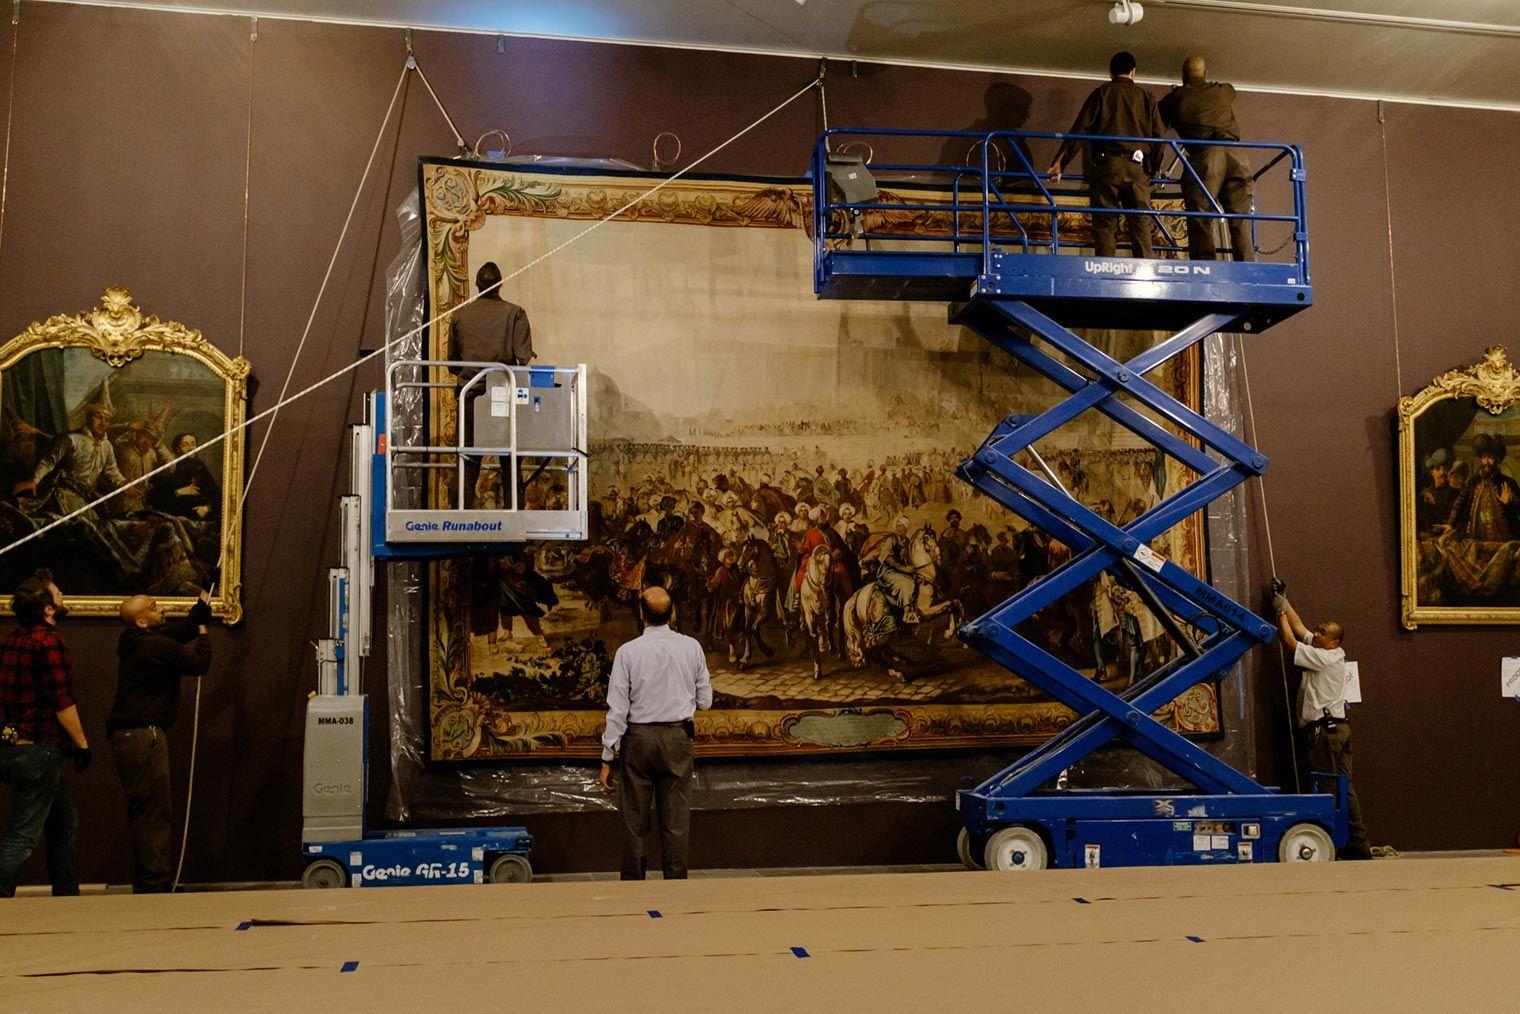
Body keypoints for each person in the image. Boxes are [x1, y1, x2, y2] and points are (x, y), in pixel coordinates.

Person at [598, 586, 712, 880]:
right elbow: (705, 701)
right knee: (676, 820)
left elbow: (617, 710)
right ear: (672, 613)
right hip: (677, 739)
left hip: (638, 740)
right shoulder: (692, 648)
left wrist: (607, 757)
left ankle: (633, 886)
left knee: (634, 820)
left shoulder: (627, 653)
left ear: (641, 613)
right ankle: (675, 887)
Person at [109, 589, 213, 893]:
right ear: (141, 621)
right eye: (154, 607)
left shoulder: (137, 640)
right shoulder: (153, 645)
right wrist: (203, 632)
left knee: (144, 809)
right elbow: (199, 663)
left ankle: (150, 879)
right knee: (154, 811)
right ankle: (154, 884)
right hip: (145, 736)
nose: (161, 608)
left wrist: (203, 603)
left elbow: (180, 630)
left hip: (129, 736)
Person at [0, 570, 87, 898]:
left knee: (63, 820)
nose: (63, 597)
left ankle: (66, 892)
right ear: (48, 608)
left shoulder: (12, 640)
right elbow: (61, 699)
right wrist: (82, 743)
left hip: (13, 745)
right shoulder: (49, 641)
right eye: (58, 595)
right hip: (39, 749)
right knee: (22, 834)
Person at [1272, 587, 1371, 860]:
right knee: (1344, 788)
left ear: (1334, 642)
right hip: (1336, 729)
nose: (1316, 634)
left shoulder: (1326, 658)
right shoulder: (1324, 650)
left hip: (1325, 734)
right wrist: (1285, 600)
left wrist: (1279, 613)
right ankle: (1358, 846)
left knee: (1327, 789)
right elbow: (1300, 628)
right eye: (1318, 630)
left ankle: (1333, 844)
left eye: (1322, 633)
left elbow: (1290, 641)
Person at [1048, 51, 1167, 259]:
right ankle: (1146, 272)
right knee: (1141, 225)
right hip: (1137, 168)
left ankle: (1105, 270)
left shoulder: (1101, 94)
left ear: (1110, 73)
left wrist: (1061, 162)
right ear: (1133, 72)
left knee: (1104, 226)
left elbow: (1080, 130)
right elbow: (1160, 138)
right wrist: (1151, 170)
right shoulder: (1147, 98)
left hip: (1106, 167)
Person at [1158, 55, 1255, 262]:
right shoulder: (1222, 91)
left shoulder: (1177, 98)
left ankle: (1205, 265)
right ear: (1206, 73)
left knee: (1201, 215)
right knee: (1240, 218)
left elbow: (1158, 121)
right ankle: (1247, 264)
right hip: (1237, 156)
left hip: (1206, 157)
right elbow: (1231, 91)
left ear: (1182, 76)